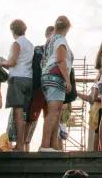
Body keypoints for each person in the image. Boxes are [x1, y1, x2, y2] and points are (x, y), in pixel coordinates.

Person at [0, 19, 33, 151]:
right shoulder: (30, 44)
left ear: (13, 31)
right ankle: (23, 143)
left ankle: (19, 145)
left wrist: (2, 62)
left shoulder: (16, 43)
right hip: (28, 79)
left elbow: (12, 62)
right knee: (24, 114)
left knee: (17, 113)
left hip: (17, 80)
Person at [40, 15, 73, 152]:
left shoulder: (50, 40)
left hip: (48, 76)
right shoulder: (61, 40)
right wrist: (67, 80)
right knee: (53, 112)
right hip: (56, 77)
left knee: (56, 111)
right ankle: (45, 144)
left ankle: (53, 144)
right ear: (68, 28)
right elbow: (60, 60)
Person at [25, 25, 56, 146]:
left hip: (52, 90)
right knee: (30, 118)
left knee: (50, 118)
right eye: (52, 35)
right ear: (47, 35)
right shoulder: (37, 49)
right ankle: (24, 144)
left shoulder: (58, 51)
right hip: (37, 88)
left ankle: (47, 145)